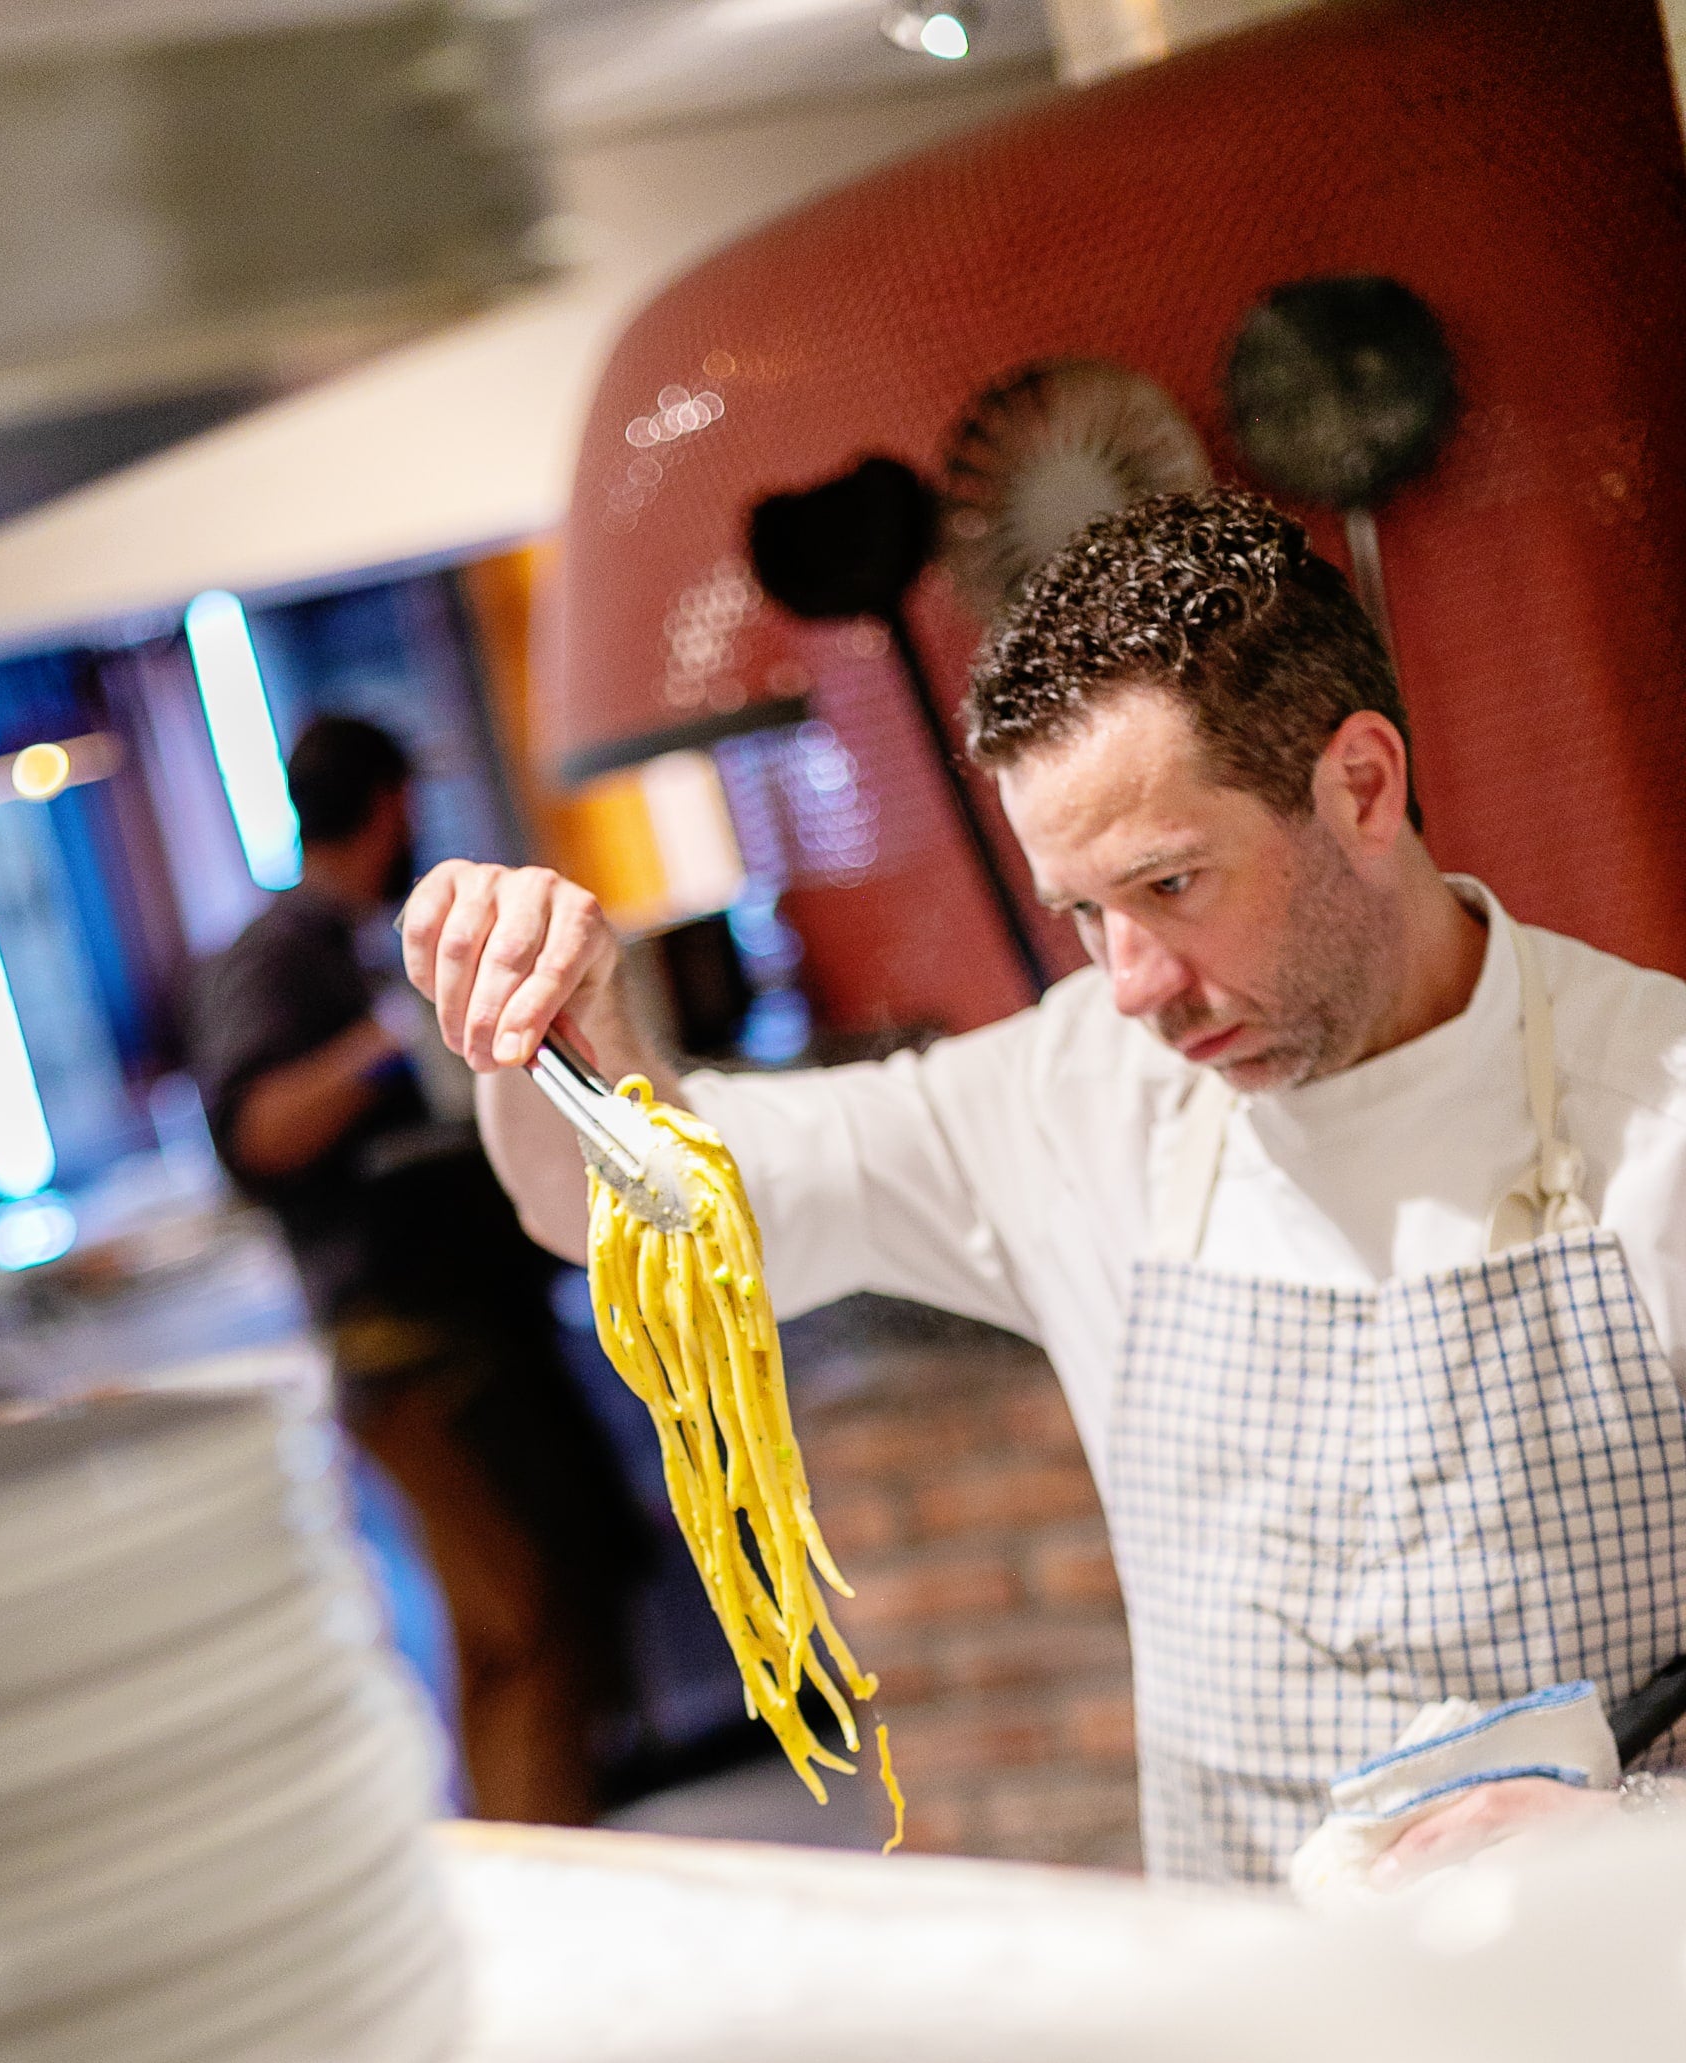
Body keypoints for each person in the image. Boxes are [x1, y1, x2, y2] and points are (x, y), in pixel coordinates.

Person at [400, 488, 1686, 1891]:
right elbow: (637, 1203)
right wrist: (557, 1037)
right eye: (1083, 912)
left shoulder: (1656, 1111)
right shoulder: (1078, 1099)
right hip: (1263, 2028)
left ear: (1363, 787)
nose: (1127, 986)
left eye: (1173, 885)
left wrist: (1638, 1836)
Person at [186, 714, 645, 1828]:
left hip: (482, 1332)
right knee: (516, 1630)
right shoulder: (282, 950)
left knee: (556, 1615)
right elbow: (258, 1130)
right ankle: (536, 1903)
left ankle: (559, 1871)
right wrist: (393, 1034)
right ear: (388, 802)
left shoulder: (354, 931)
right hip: (410, 1353)